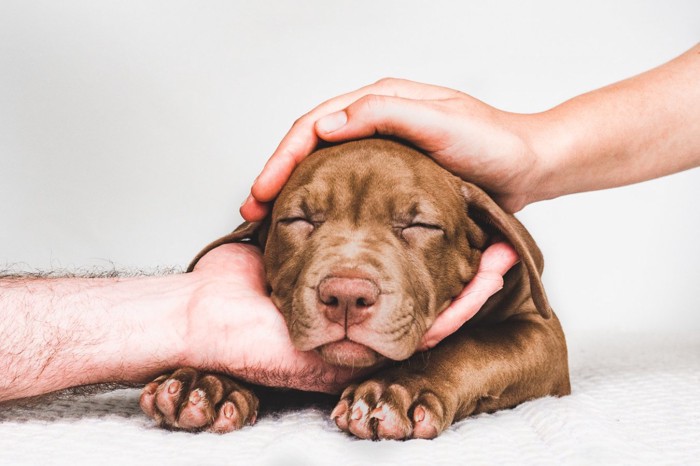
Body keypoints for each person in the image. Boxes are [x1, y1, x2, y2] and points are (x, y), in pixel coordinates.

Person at [1, 45, 698, 404]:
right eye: (302, 219)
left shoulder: (494, 265)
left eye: (417, 226)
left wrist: (434, 381)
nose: (348, 283)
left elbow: (541, 347)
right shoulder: (247, 272)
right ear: (253, 247)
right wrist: (219, 368)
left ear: (487, 243)